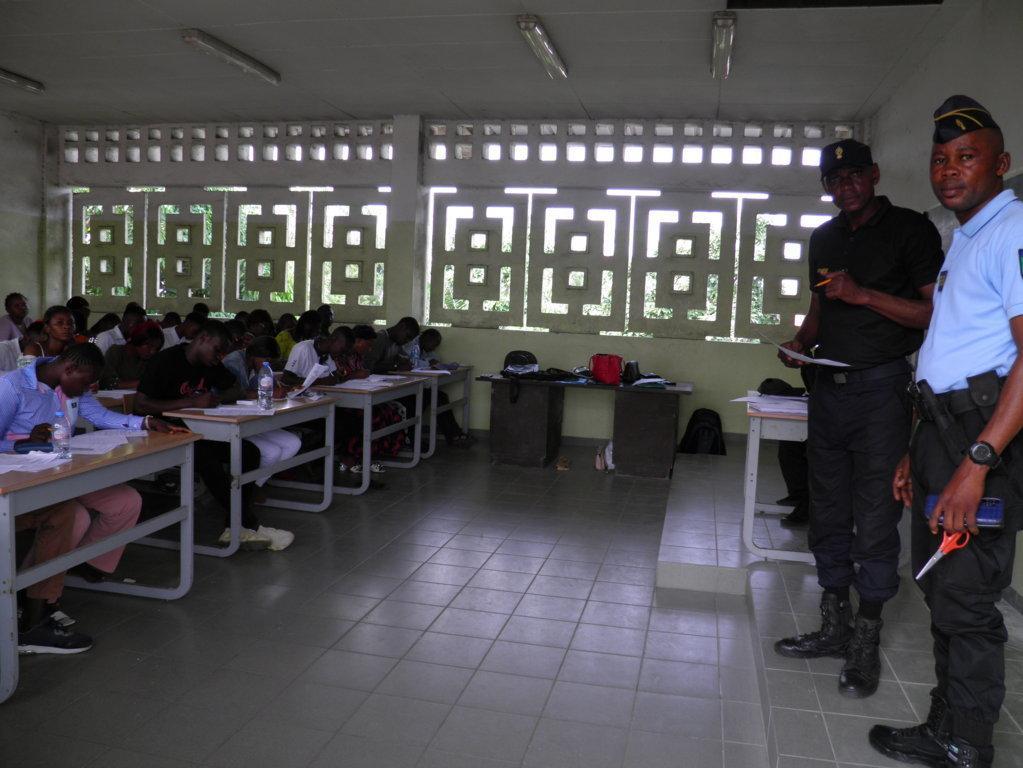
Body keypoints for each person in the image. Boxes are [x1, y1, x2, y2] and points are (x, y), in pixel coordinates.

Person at [867, 97, 1021, 768]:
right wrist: (915, 450)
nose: (949, 170)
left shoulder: (1011, 231)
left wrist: (977, 461)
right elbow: (950, 350)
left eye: (966, 157)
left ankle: (969, 746)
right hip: (939, 434)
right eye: (939, 159)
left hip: (977, 440)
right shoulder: (965, 237)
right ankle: (945, 726)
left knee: (966, 601)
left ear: (1000, 164)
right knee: (939, 584)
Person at [773, 138, 944, 699]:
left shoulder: (910, 231)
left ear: (872, 176)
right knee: (827, 509)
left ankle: (866, 638)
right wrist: (801, 341)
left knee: (873, 515)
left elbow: (932, 311)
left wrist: (864, 294)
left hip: (880, 392)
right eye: (833, 179)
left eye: (853, 176)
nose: (843, 186)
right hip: (828, 391)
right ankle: (833, 624)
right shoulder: (823, 238)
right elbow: (821, 308)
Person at [0, 344, 180, 652]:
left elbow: (99, 414)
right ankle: (36, 598)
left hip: (64, 467)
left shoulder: (70, 387)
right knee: (75, 517)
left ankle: (62, 577)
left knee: (125, 501)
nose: (86, 390)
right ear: (69, 370)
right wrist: (22, 443)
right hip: (26, 476)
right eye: (85, 383)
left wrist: (144, 422)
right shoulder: (12, 387)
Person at [135, 320, 294, 551]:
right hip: (160, 430)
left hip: (196, 429)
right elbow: (140, 405)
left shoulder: (210, 364)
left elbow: (233, 388)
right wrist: (191, 401)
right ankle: (248, 524)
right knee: (206, 458)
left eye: (223, 353)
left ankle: (234, 527)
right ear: (203, 339)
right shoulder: (166, 361)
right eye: (217, 350)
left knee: (249, 452)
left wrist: (218, 397)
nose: (219, 357)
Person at [223, 335, 303, 487]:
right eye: (266, 360)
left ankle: (255, 486)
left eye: (271, 362)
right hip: (233, 422)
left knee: (293, 443)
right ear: (254, 355)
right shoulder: (233, 363)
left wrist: (278, 389)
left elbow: (266, 387)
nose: (268, 365)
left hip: (251, 420)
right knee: (272, 452)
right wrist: (268, 393)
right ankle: (246, 490)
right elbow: (234, 395)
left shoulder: (258, 366)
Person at [404, 328, 475, 448]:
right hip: (407, 387)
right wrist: (429, 363)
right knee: (437, 398)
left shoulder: (424, 348)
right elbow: (413, 363)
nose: (434, 348)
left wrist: (433, 361)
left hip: (418, 385)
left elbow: (434, 358)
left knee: (441, 397)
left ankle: (454, 434)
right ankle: (453, 435)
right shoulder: (412, 346)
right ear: (426, 340)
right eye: (434, 345)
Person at [99, 320, 164, 388]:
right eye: (149, 346)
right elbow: (106, 382)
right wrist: (140, 383)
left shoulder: (149, 359)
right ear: (138, 340)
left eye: (156, 349)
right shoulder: (116, 352)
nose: (152, 351)